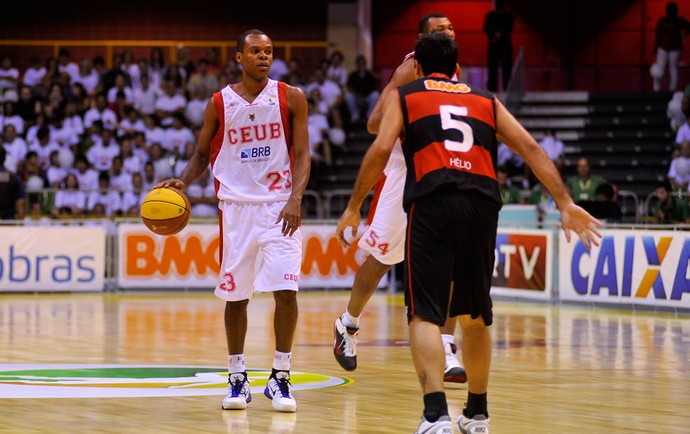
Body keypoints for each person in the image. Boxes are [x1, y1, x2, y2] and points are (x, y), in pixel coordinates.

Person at [336, 32, 602, 434]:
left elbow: (380, 149)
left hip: (433, 201)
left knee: (424, 314)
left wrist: (354, 206)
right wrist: (565, 202)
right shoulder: (486, 100)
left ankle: (435, 415)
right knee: (475, 316)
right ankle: (477, 413)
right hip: (482, 204)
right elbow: (530, 147)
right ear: (456, 66)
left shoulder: (406, 96)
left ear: (417, 67)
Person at [156, 29, 310, 414]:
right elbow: (201, 154)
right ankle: (237, 377)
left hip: (279, 207)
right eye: (255, 51)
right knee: (236, 296)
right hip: (236, 209)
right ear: (239, 57)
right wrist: (184, 181)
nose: (264, 57)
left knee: (286, 291)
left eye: (268, 51)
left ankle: (280, 376)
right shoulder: (219, 102)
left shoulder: (292, 97)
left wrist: (295, 198)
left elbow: (304, 154)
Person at [332, 12, 468, 385]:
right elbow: (375, 122)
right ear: (422, 40)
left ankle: (446, 346)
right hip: (404, 172)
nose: (448, 33)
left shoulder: (454, 69)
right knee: (383, 259)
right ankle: (348, 323)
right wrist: (415, 118)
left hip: (440, 169)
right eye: (439, 30)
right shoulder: (411, 69)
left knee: (452, 260)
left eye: (450, 28)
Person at [653, 2, 690, 92]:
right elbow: (658, 35)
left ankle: (671, 89)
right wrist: (656, 47)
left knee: (671, 68)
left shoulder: (678, 20)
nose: (671, 12)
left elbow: (688, 27)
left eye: (672, 10)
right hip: (663, 47)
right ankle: (657, 89)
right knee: (660, 68)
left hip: (674, 48)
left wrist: (685, 34)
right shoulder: (663, 21)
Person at [483, 1, 514, 92]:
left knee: (507, 67)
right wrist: (494, 35)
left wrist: (499, 35)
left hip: (505, 45)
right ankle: (492, 88)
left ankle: (507, 87)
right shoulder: (490, 16)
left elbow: (509, 28)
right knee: (492, 67)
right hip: (494, 45)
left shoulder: (509, 16)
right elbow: (486, 28)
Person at [0, 147, 24, 220]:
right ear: (5, 158)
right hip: (9, 221)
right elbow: (21, 202)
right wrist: (21, 222)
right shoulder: (14, 177)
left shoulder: (14, 178)